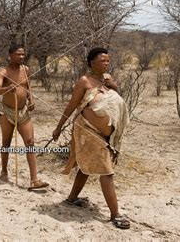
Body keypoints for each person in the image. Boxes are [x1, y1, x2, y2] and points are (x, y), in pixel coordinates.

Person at [52, 47, 130, 229]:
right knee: (106, 171)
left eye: (108, 61)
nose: (106, 63)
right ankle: (115, 214)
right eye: (102, 60)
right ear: (91, 62)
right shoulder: (84, 81)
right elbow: (72, 105)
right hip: (86, 129)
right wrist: (58, 127)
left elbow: (115, 98)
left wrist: (113, 85)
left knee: (86, 166)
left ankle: (71, 199)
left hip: (103, 134)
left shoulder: (106, 80)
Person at [0, 44, 49, 190]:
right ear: (10, 55)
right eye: (18, 54)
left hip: (23, 111)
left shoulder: (25, 69)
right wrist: (7, 88)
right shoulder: (3, 72)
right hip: (7, 111)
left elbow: (27, 87)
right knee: (6, 142)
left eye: (23, 54)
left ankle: (34, 180)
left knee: (30, 142)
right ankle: (4, 171)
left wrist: (31, 100)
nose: (21, 57)